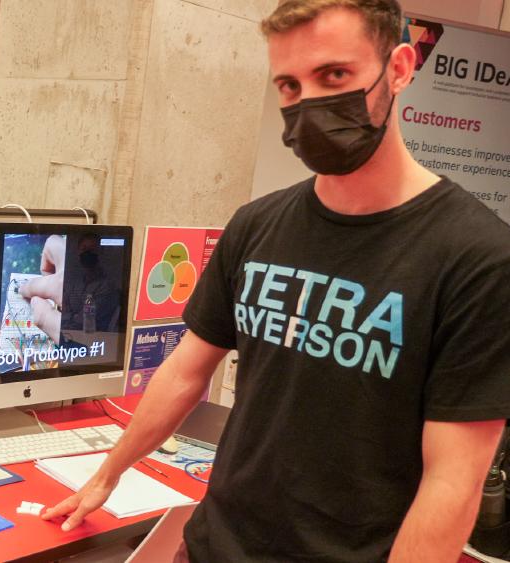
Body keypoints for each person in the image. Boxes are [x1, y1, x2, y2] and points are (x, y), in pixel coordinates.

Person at [42, 1, 510, 561]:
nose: (309, 102)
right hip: (213, 545)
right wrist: (107, 474)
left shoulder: (480, 257)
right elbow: (186, 371)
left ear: (401, 68)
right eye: (289, 85)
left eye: (334, 75)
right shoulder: (257, 224)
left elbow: (453, 482)